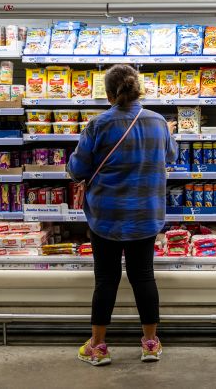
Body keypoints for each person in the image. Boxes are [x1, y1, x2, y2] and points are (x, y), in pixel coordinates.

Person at [67, 64, 177, 366]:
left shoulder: (98, 124)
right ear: (137, 89)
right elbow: (171, 157)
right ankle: (150, 344)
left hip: (106, 216)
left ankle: (98, 347)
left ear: (107, 93)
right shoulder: (157, 122)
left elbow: (77, 169)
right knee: (143, 276)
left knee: (106, 279)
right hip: (145, 212)